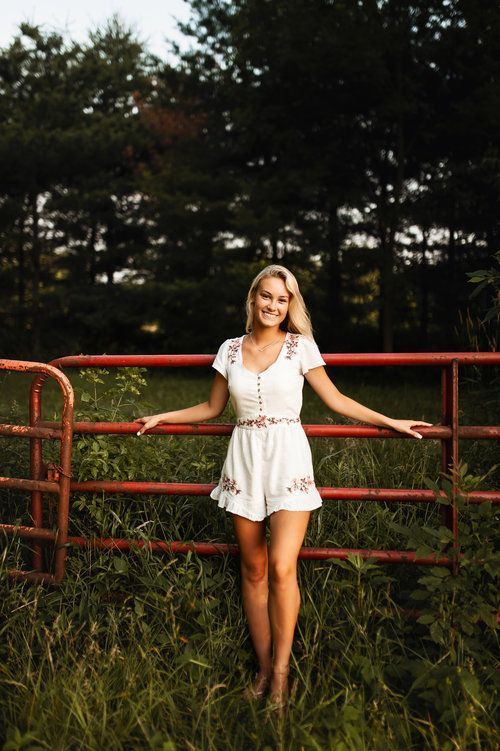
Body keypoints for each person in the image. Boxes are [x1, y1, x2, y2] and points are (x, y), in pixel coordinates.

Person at [134, 264, 432, 715]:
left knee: (279, 566)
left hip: (289, 458)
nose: (273, 305)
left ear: (290, 305)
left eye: (283, 299)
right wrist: (163, 416)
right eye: (267, 296)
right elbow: (213, 407)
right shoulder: (230, 349)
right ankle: (262, 667)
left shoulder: (300, 347)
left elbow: (336, 400)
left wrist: (390, 421)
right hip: (244, 458)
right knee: (252, 569)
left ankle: (281, 675)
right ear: (253, 298)